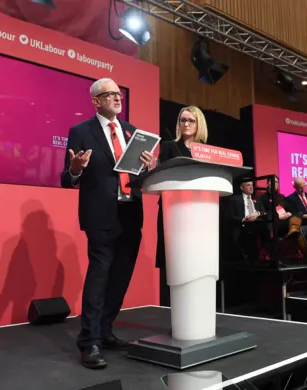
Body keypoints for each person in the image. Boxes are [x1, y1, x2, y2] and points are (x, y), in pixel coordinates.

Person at [60, 78, 153, 369]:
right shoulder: (80, 132)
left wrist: (147, 166)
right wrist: (75, 170)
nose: (117, 98)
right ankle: (90, 342)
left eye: (118, 94)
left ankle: (105, 330)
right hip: (100, 215)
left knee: (120, 276)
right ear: (96, 101)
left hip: (130, 213)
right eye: (109, 94)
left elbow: (135, 176)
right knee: (100, 275)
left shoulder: (132, 131)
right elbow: (67, 178)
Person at [155, 106, 208, 306]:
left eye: (190, 121)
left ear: (199, 124)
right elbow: (163, 175)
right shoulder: (169, 146)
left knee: (196, 261)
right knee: (174, 261)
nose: (185, 124)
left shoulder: (206, 149)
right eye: (182, 120)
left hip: (200, 211)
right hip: (174, 210)